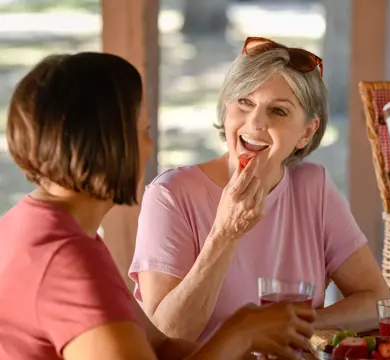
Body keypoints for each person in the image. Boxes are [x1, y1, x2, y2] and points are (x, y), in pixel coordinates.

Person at [0, 52, 316, 360]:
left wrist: (240, 347)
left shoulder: (42, 226)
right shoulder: (66, 260)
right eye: (145, 131)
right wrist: (239, 333)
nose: (148, 148)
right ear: (113, 144)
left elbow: (159, 346)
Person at [129, 36, 390, 342]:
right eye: (245, 102)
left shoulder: (313, 187)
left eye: (278, 111)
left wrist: (287, 327)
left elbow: (375, 300)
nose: (254, 123)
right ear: (226, 108)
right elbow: (168, 334)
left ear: (306, 132)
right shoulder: (170, 195)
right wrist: (225, 234)